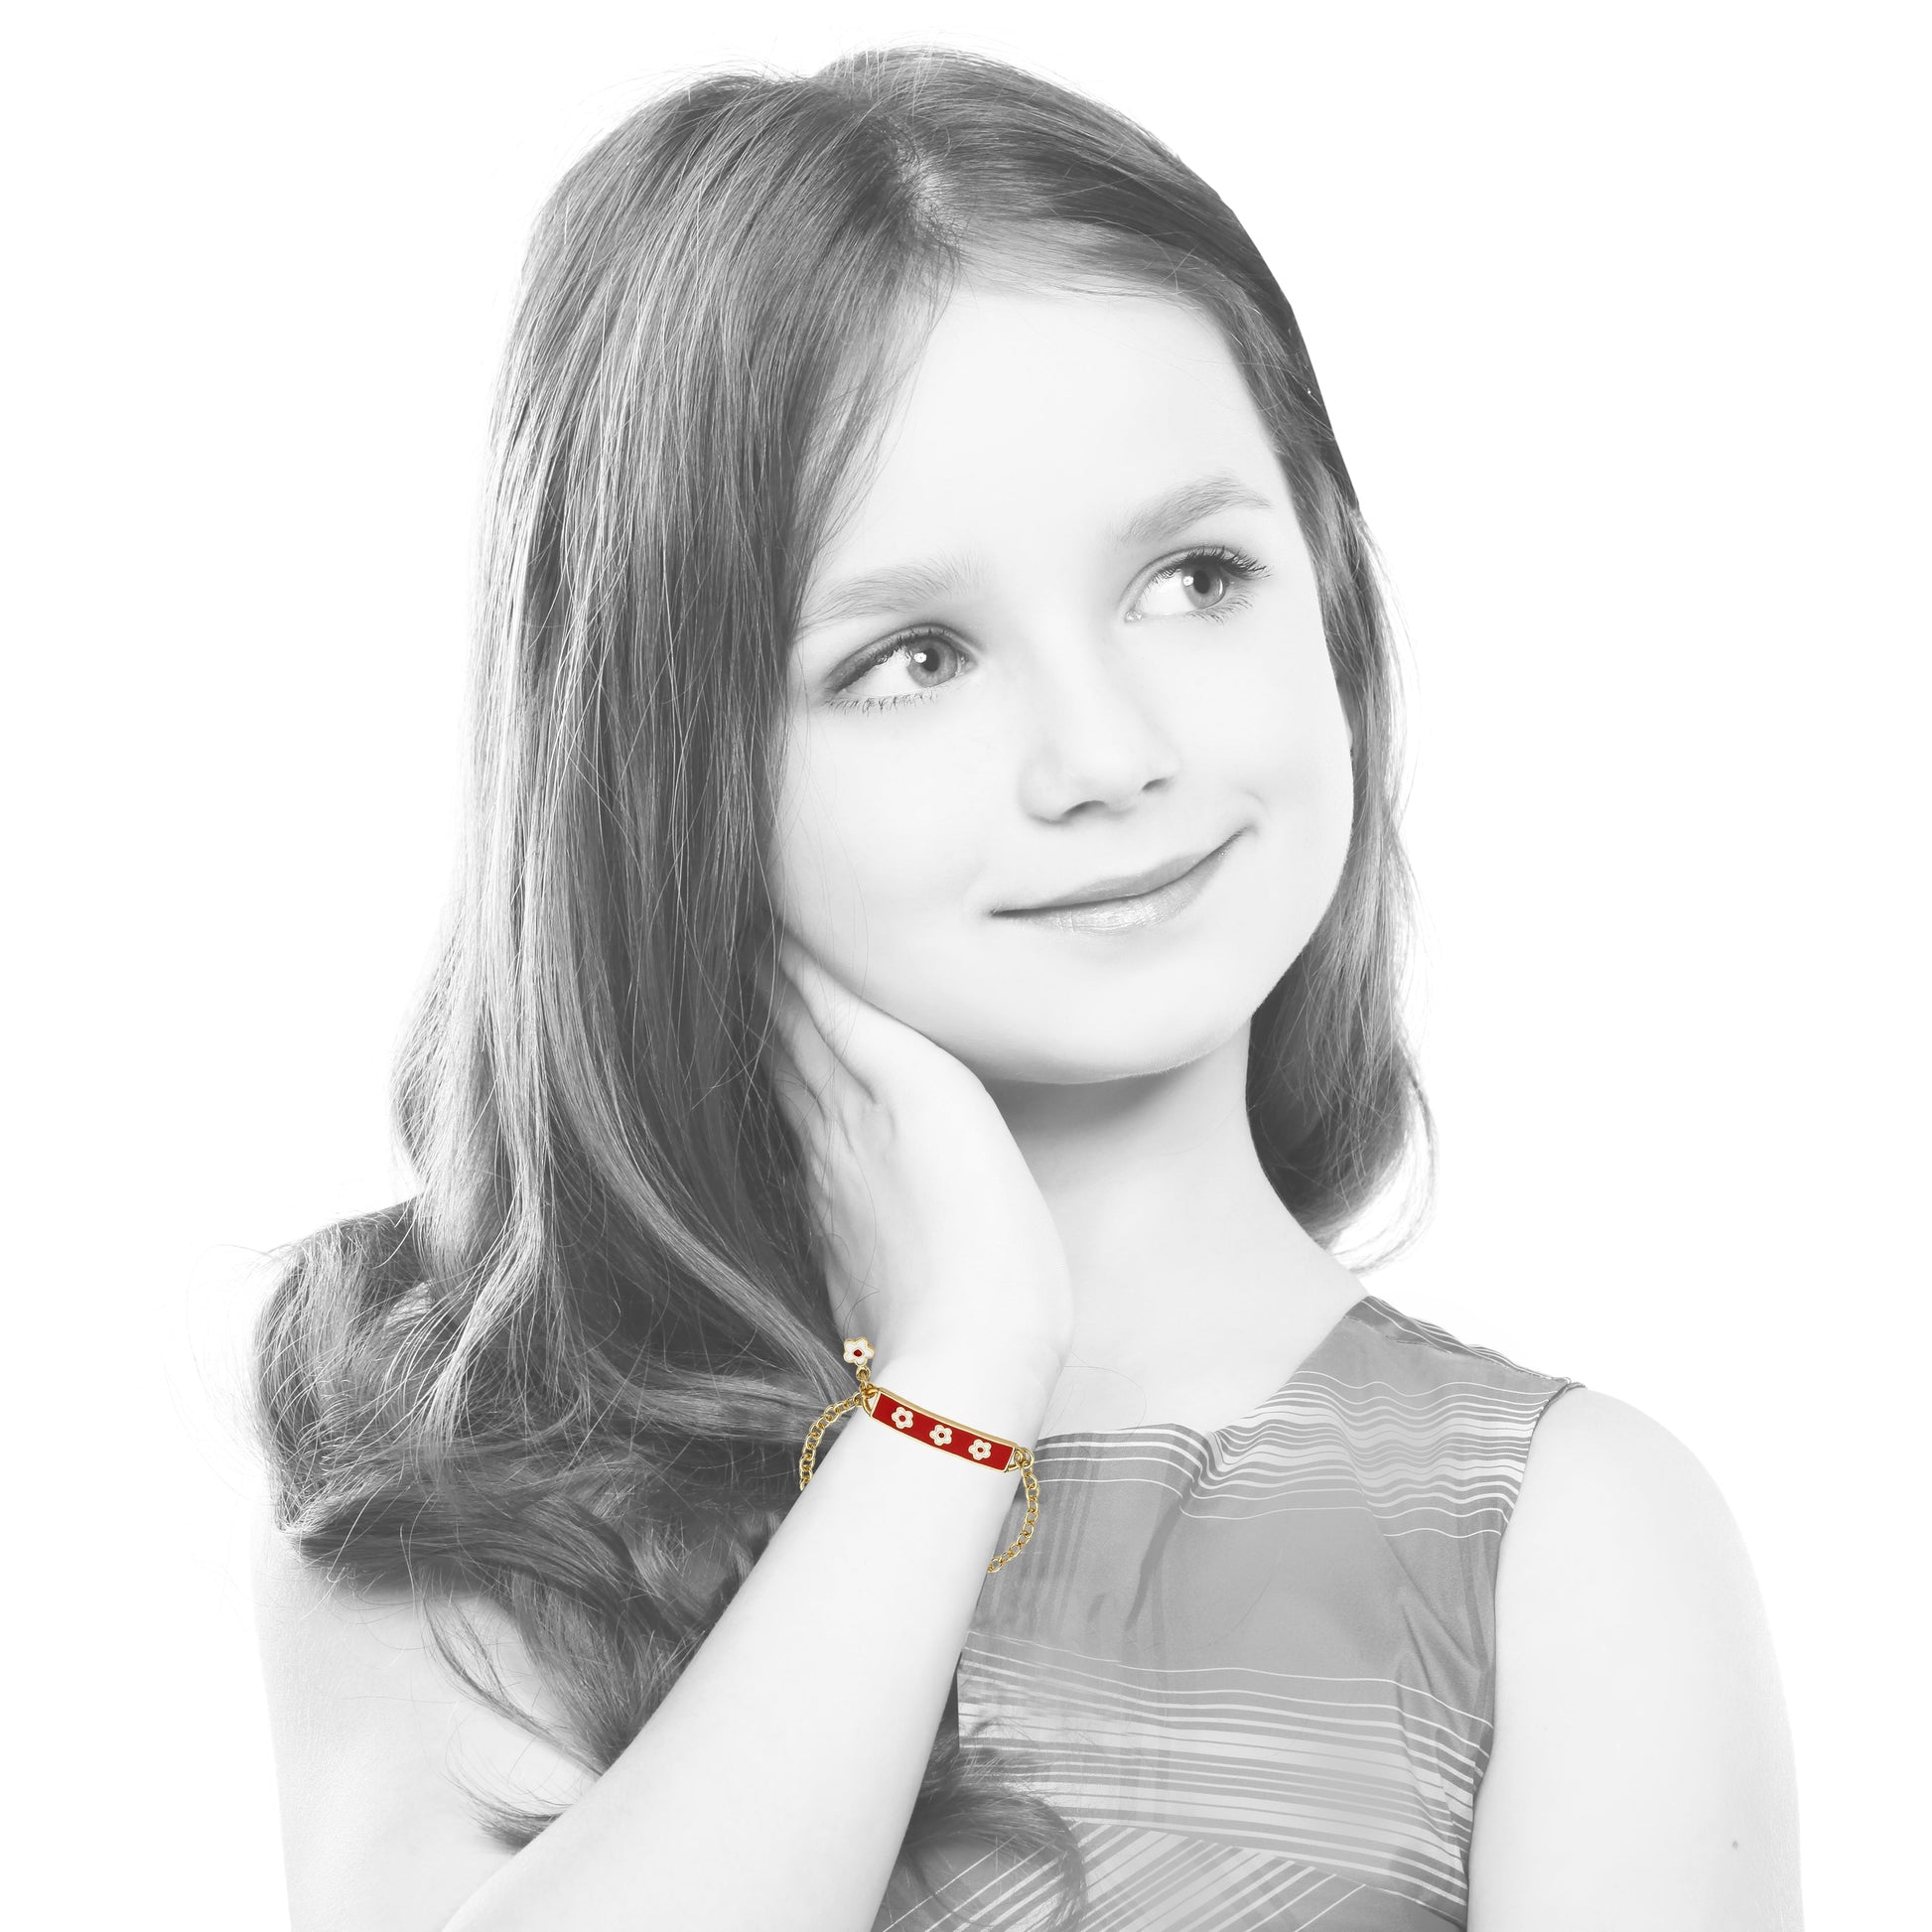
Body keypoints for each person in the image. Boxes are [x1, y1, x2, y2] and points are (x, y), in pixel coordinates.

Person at [248, 44, 1802, 1932]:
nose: (1107, 751)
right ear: (664, 766)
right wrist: (956, 1381)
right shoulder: (463, 1438)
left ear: (1330, 597)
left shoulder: (1564, 1541)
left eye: (1193, 576)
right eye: (914, 653)